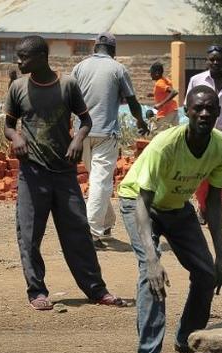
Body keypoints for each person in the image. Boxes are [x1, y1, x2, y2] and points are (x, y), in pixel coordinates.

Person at [118, 85, 222, 353]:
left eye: (210, 108)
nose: (204, 113)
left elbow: (213, 204)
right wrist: (153, 259)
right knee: (151, 274)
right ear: (186, 112)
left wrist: (220, 259)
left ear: (219, 112)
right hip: (140, 202)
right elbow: (143, 202)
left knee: (206, 273)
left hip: (176, 205)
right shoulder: (165, 144)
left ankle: (186, 339)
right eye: (198, 108)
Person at [4, 35, 126, 311]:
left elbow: (86, 120)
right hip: (32, 173)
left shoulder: (68, 85)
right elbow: (9, 125)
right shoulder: (18, 88)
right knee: (29, 235)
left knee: (78, 233)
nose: (19, 62)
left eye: (24, 57)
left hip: (64, 173)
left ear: (41, 57)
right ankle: (37, 291)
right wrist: (16, 137)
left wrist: (77, 140)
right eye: (18, 56)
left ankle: (96, 290)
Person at [71, 32, 149, 248]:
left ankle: (105, 222)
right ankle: (91, 232)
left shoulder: (79, 67)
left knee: (98, 180)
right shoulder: (118, 69)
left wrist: (69, 129)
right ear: (113, 50)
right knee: (100, 181)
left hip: (81, 134)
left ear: (95, 47)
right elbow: (132, 101)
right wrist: (140, 121)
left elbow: (68, 98)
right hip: (105, 134)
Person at [187, 45, 222, 224]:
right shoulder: (196, 80)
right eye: (212, 59)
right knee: (202, 174)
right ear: (207, 60)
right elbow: (187, 107)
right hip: (200, 133)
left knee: (220, 174)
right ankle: (203, 207)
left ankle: (215, 211)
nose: (215, 62)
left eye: (219, 59)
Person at [149, 62, 179, 132]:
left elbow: (174, 92)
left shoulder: (159, 83)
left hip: (165, 113)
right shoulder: (166, 80)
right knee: (173, 134)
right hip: (173, 110)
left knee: (156, 133)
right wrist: (154, 94)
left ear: (157, 73)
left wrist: (160, 104)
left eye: (151, 72)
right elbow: (166, 93)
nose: (150, 75)